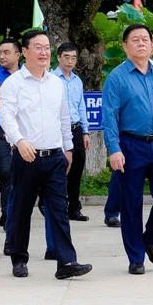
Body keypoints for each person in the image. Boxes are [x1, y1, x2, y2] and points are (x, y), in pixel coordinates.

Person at [0, 30, 92, 280]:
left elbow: (63, 118)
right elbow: (6, 116)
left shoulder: (56, 83)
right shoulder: (13, 83)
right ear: (25, 52)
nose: (44, 52)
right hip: (26, 156)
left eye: (47, 47)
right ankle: (19, 258)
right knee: (21, 208)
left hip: (54, 157)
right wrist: (19, 141)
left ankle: (66, 262)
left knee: (59, 209)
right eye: (38, 47)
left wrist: (68, 149)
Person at [102, 24, 153, 275]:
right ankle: (136, 257)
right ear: (125, 46)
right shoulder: (116, 77)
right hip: (130, 146)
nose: (141, 43)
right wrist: (114, 149)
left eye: (145, 39)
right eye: (134, 39)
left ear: (152, 45)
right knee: (131, 203)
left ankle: (150, 240)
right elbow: (109, 116)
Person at [54, 42, 90, 222]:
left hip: (76, 128)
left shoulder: (77, 80)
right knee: (60, 168)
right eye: (66, 57)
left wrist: (85, 132)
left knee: (76, 168)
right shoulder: (52, 79)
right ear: (59, 57)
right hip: (58, 130)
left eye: (73, 58)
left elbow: (81, 107)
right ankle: (56, 205)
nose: (70, 61)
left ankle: (74, 207)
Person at [0, 37, 21, 227]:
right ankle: (7, 213)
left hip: (23, 132)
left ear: (18, 55)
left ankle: (19, 208)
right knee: (6, 171)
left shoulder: (27, 76)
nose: (1, 56)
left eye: (6, 52)